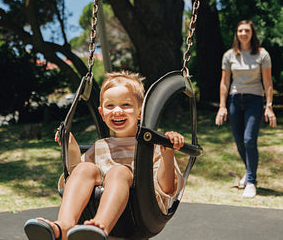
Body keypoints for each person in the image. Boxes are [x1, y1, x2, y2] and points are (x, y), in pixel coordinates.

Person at [24, 71, 186, 240]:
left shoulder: (152, 146)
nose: (117, 111)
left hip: (140, 212)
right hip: (95, 205)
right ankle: (63, 226)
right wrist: (71, 147)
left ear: (140, 112)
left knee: (119, 172)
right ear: (101, 113)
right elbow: (74, 177)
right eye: (110, 106)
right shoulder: (100, 146)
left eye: (125, 105)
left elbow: (166, 189)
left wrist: (168, 153)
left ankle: (99, 226)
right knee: (85, 167)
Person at [215, 20, 277, 198]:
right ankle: (249, 171)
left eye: (247, 30)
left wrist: (269, 106)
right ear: (236, 33)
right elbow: (225, 82)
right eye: (240, 30)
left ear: (252, 33)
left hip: (254, 100)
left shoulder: (261, 54)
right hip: (235, 100)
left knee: (249, 139)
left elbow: (268, 82)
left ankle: (251, 181)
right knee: (239, 141)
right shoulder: (229, 55)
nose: (243, 33)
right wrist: (222, 106)